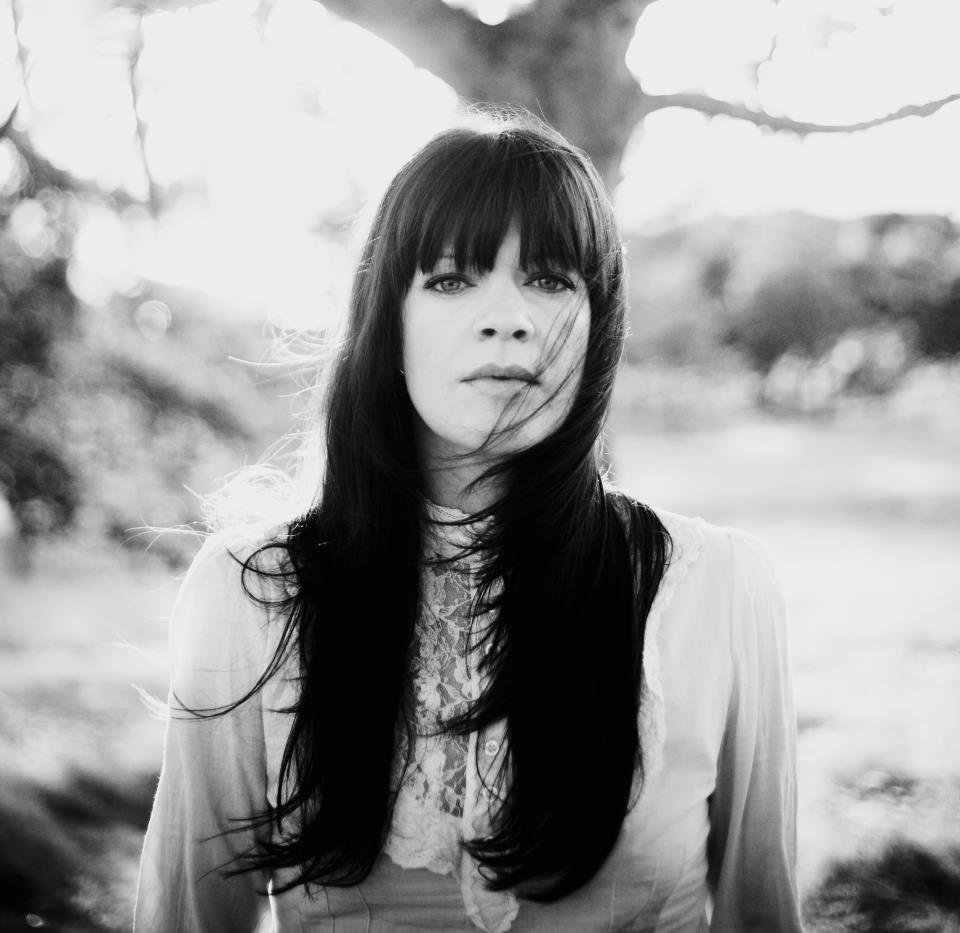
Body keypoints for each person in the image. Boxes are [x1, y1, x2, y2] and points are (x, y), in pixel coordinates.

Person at [134, 110, 804, 932]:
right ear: (388, 319)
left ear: (598, 327)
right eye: (452, 280)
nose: (508, 317)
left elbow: (765, 910)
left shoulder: (718, 589)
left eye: (551, 280)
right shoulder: (253, 593)